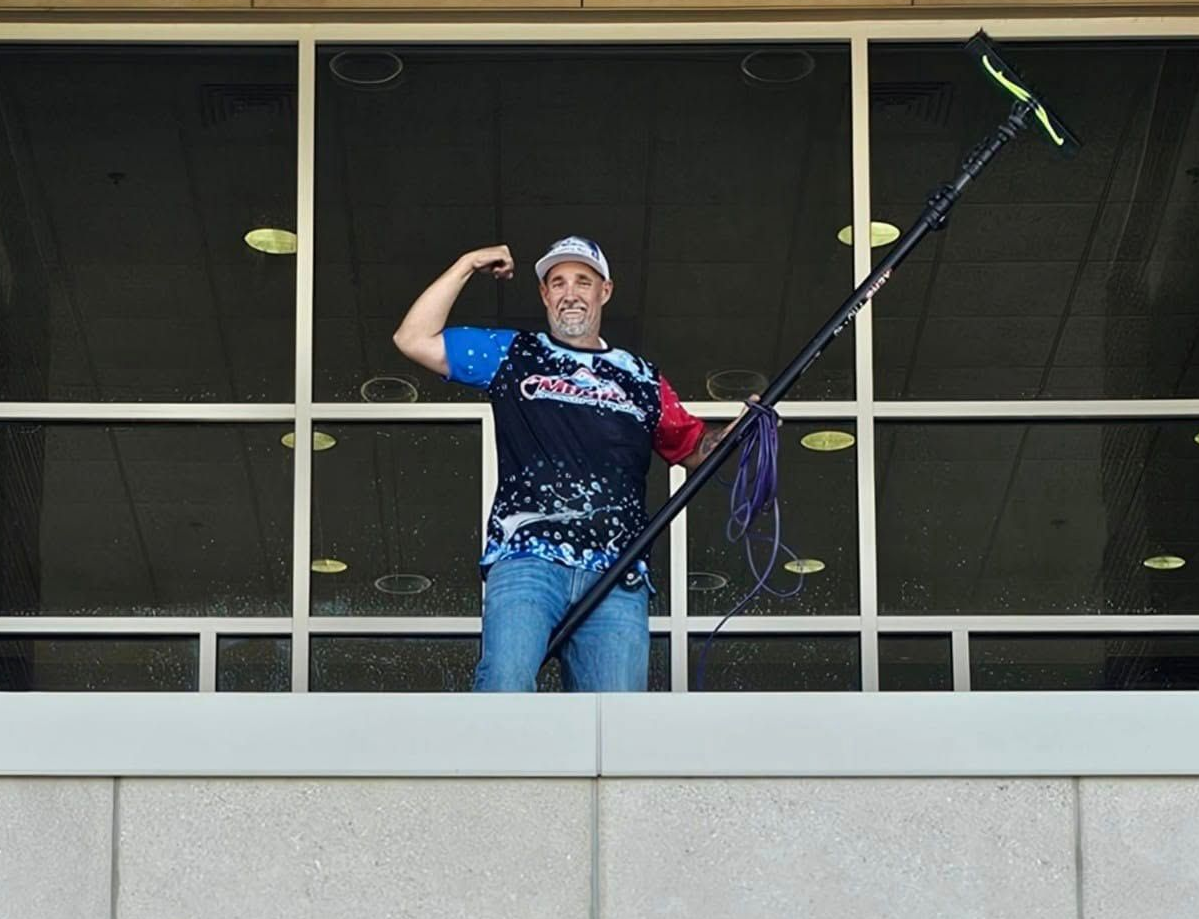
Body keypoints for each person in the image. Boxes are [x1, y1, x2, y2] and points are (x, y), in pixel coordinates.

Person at [393, 235, 736, 692]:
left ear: (604, 291)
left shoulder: (641, 378)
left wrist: (737, 436)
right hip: (527, 561)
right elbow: (413, 338)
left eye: (583, 281)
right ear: (544, 295)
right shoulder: (514, 354)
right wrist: (467, 263)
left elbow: (693, 449)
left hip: (617, 573)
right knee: (504, 690)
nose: (570, 292)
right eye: (557, 283)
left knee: (617, 735)